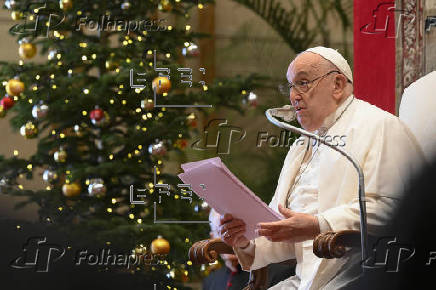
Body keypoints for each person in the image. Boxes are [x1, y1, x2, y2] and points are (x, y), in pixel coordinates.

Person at [216, 46, 425, 289]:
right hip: (306, 280)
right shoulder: (301, 145)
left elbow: (399, 209)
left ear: (337, 84)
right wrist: (245, 241)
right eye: (290, 86)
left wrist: (320, 224)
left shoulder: (381, 126)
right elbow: (285, 231)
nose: (293, 96)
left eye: (303, 83)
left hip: (363, 275)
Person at [203, 209, 294, 290]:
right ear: (212, 237)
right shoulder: (210, 280)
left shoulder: (278, 274)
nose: (229, 237)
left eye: (235, 229)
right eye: (221, 231)